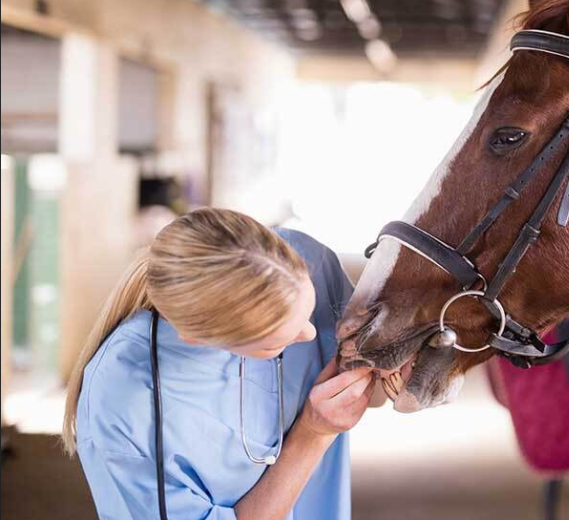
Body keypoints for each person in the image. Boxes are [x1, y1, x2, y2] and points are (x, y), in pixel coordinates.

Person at [62, 207, 373, 519]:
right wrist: (313, 434)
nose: (311, 334)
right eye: (275, 342)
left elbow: (381, 385)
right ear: (199, 337)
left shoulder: (308, 258)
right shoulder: (125, 402)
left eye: (311, 308)